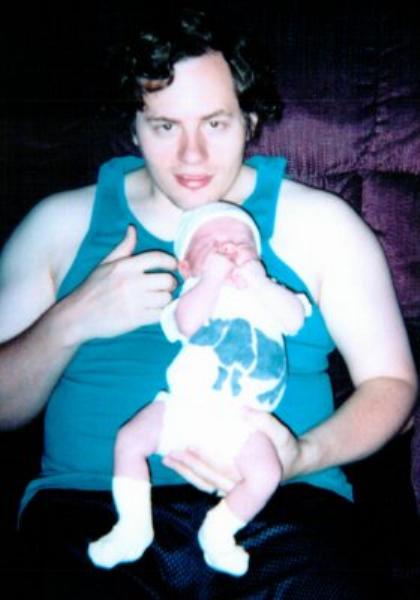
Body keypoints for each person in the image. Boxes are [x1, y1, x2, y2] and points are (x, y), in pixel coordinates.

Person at [0, 7, 417, 599]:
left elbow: (392, 385)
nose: (191, 156)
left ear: (249, 120)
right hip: (89, 507)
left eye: (215, 124)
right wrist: (69, 322)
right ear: (134, 127)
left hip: (284, 505)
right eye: (165, 126)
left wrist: (301, 455)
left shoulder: (323, 225)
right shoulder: (58, 225)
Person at [88, 201, 310, 576]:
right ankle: (132, 527)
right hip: (184, 406)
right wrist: (210, 281)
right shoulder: (193, 294)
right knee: (129, 439)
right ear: (187, 267)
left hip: (243, 421)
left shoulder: (270, 293)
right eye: (211, 244)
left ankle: (219, 532)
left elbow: (293, 320)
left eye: (241, 243)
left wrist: (259, 282)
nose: (228, 248)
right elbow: (189, 324)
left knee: (267, 474)